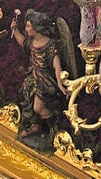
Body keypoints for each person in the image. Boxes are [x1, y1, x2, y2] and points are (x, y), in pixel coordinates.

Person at [10, 9, 70, 145]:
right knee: (30, 103)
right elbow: (23, 42)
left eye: (28, 26)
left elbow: (57, 66)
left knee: (38, 107)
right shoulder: (31, 42)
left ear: (37, 28)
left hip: (45, 82)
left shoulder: (50, 46)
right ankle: (36, 126)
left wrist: (61, 84)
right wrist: (15, 30)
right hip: (33, 78)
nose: (26, 29)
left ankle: (53, 127)